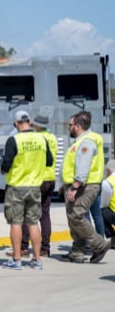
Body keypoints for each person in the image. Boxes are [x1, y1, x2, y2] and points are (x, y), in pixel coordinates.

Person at [0, 110, 52, 270]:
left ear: (16, 123)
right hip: (35, 186)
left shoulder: (14, 140)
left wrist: (4, 171)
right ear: (30, 121)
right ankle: (37, 259)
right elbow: (49, 161)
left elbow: (6, 164)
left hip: (16, 187)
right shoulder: (42, 139)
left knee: (16, 222)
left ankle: (16, 259)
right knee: (33, 222)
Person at [58, 111, 109, 263]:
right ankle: (77, 251)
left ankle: (99, 245)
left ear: (78, 126)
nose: (69, 127)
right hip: (80, 184)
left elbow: (83, 166)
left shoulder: (86, 142)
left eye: (71, 125)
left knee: (76, 216)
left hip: (85, 186)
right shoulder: (83, 140)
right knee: (73, 217)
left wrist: (74, 187)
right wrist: (66, 184)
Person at [10, 108, 57, 258]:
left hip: (36, 178)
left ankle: (23, 247)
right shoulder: (52, 137)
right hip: (50, 179)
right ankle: (45, 248)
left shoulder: (36, 138)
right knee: (45, 214)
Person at [100, 161, 115, 249]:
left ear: (109, 170)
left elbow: (103, 204)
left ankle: (113, 237)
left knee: (99, 212)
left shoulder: (108, 182)